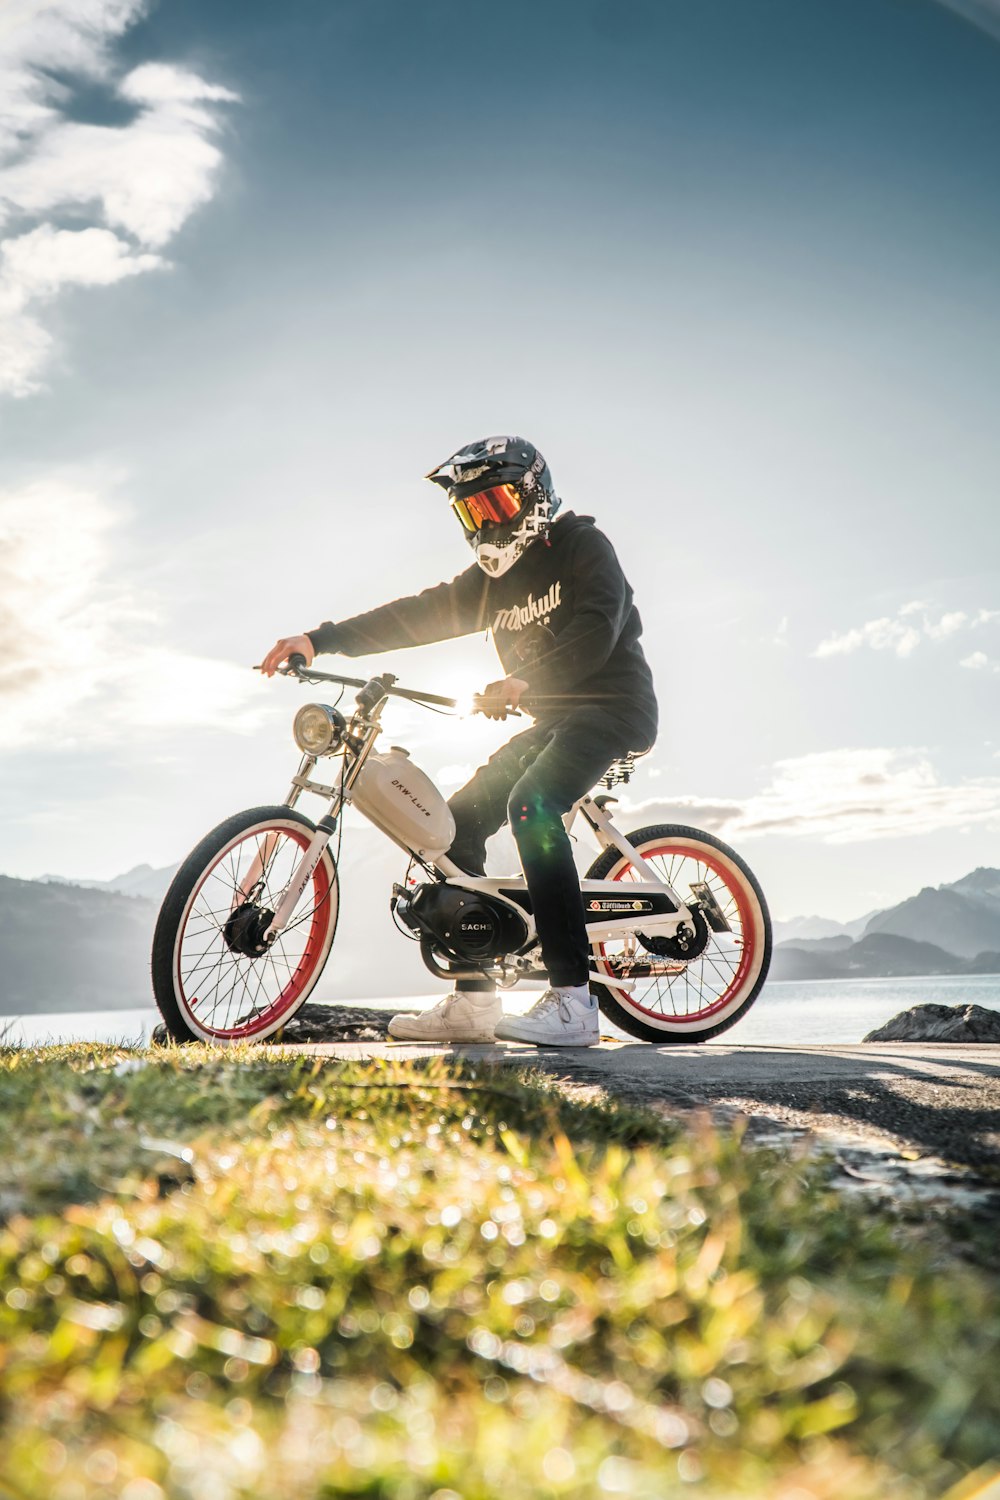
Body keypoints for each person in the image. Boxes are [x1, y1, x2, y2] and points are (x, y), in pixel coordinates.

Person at [261, 435, 658, 1047]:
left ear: (534, 498)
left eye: (496, 504)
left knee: (533, 805)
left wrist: (529, 679)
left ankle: (575, 1002)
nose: (486, 523)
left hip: (612, 709)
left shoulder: (583, 545)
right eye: (472, 512)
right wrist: (320, 639)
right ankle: (475, 1003)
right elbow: (415, 615)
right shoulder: (488, 586)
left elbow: (596, 630)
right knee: (456, 828)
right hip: (550, 722)